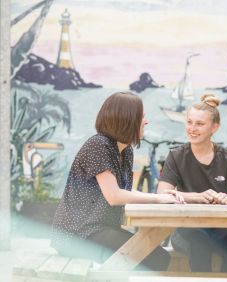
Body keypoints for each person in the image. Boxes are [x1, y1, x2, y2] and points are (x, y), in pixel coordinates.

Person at [51, 92, 182, 271]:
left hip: (98, 230)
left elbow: (123, 192)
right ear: (126, 119)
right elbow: (114, 196)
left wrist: (159, 196)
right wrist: (157, 199)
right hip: (78, 235)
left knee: (155, 255)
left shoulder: (125, 150)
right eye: (142, 116)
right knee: (156, 258)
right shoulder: (98, 145)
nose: (146, 121)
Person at [157, 94, 227, 273]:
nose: (192, 128)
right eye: (189, 122)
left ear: (214, 127)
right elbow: (163, 193)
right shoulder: (176, 156)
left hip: (222, 226)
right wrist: (196, 197)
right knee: (201, 245)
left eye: (199, 124)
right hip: (186, 228)